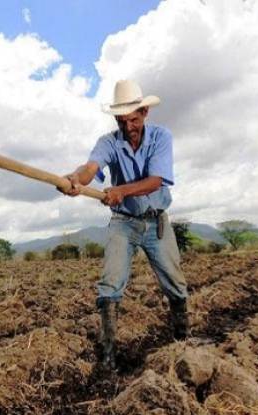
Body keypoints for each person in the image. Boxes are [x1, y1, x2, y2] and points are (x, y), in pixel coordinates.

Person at [60, 79, 189, 369]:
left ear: (144, 113)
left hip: (156, 222)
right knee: (110, 282)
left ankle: (183, 340)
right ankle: (108, 356)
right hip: (123, 222)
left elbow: (156, 181)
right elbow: (91, 168)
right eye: (122, 120)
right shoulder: (109, 142)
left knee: (175, 282)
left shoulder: (161, 137)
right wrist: (74, 180)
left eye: (133, 119)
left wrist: (121, 191)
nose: (128, 125)